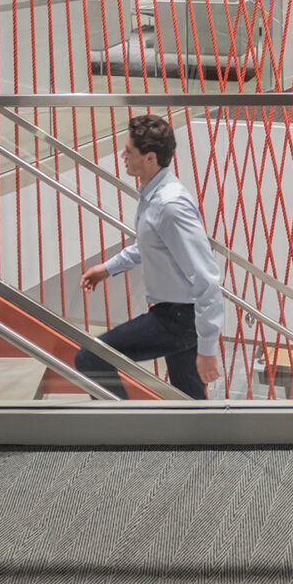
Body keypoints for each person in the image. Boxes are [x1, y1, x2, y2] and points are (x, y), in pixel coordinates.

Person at [76, 114, 223, 400]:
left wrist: (208, 350)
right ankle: (204, 443)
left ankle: (122, 431)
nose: (122, 155)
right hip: (176, 313)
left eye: (129, 151)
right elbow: (149, 245)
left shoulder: (169, 206)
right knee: (190, 402)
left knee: (90, 357)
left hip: (179, 318)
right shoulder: (154, 195)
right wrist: (107, 268)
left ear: (150, 158)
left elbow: (207, 278)